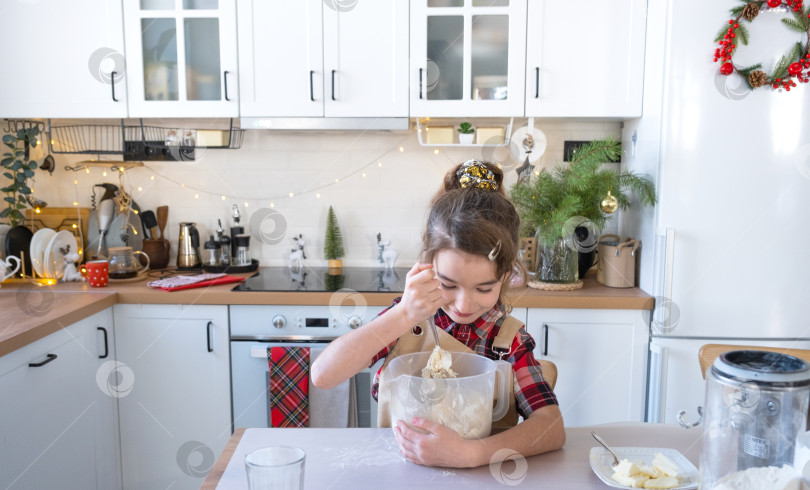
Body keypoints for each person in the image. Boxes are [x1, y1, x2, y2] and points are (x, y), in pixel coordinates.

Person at [311, 160, 565, 468]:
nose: (463, 305)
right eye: (448, 284)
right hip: (399, 472)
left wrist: (471, 454)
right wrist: (403, 314)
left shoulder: (507, 340)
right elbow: (323, 375)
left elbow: (551, 427)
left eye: (483, 289)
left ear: (506, 277)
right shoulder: (406, 322)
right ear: (428, 265)